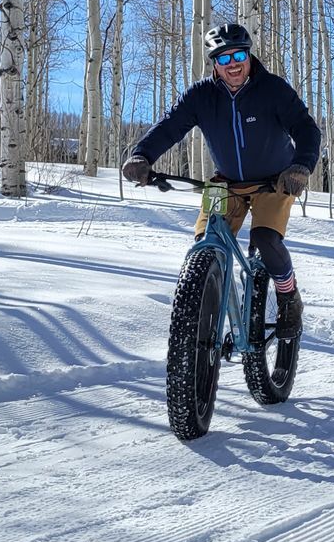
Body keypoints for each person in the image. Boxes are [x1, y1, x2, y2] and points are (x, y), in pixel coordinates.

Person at [122, 22, 321, 339]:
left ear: (249, 55)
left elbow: (307, 129)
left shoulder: (273, 89)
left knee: (267, 240)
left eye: (239, 55)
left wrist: (300, 166)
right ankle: (201, 328)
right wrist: (142, 155)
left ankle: (288, 296)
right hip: (225, 183)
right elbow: (169, 127)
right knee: (205, 246)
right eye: (224, 58)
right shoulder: (200, 96)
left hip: (276, 181)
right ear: (214, 63)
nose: (233, 64)